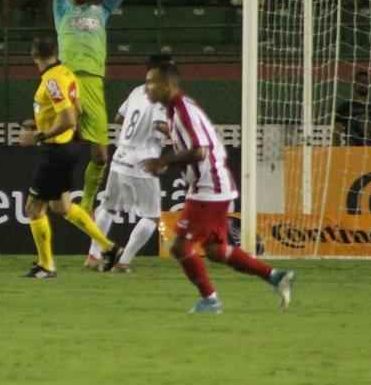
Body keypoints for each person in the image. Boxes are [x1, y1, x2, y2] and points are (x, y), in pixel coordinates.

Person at [143, 60, 295, 314]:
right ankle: (276, 276)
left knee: (180, 247)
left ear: (167, 85)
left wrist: (163, 160)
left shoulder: (182, 110)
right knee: (215, 250)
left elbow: (200, 151)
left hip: (208, 186)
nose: (146, 88)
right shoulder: (175, 110)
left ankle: (210, 301)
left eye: (151, 83)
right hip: (211, 185)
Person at [18, 36, 122, 278]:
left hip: (54, 152)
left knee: (33, 208)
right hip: (67, 147)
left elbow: (68, 118)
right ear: (55, 52)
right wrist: (40, 123)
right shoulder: (66, 73)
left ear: (34, 56)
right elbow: (78, 109)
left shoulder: (52, 80)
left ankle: (46, 266)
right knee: (62, 206)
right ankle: (109, 248)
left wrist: (39, 136)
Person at [54, 0, 133, 213]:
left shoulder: (102, 11)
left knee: (100, 155)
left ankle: (87, 200)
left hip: (94, 84)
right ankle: (55, 191)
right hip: (68, 81)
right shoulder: (62, 10)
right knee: (64, 138)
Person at [85, 55, 171, 273]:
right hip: (143, 161)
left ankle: (94, 256)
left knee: (108, 207)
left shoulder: (136, 91)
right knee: (151, 216)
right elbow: (160, 125)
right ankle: (123, 262)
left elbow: (119, 117)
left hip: (120, 157)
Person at [336, 69, 371, 146]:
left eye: (365, 82)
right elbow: (336, 130)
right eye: (360, 81)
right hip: (352, 150)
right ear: (354, 84)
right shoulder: (345, 107)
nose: (363, 84)